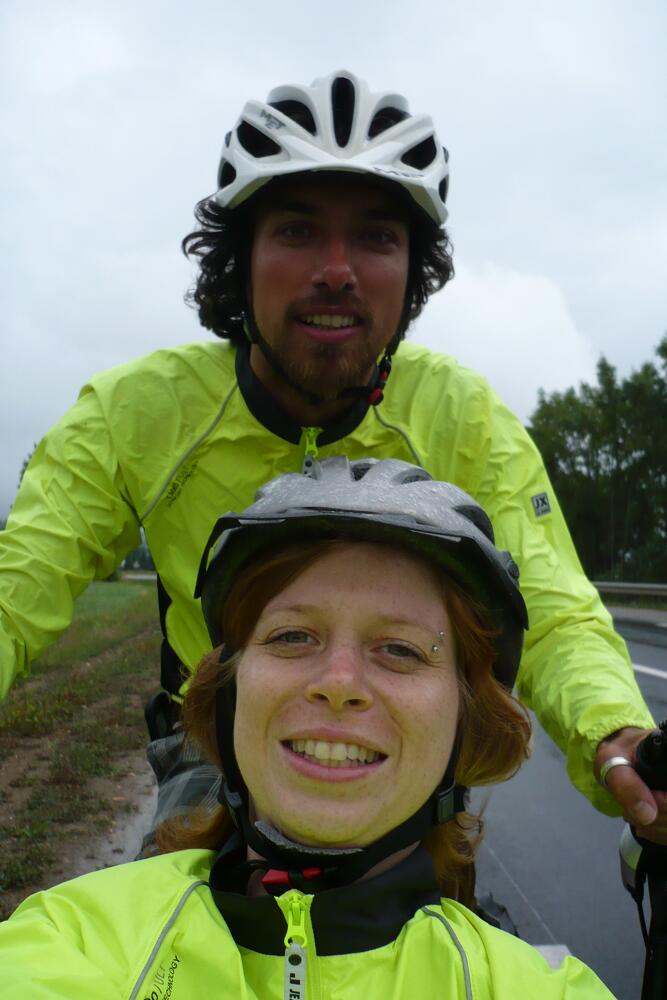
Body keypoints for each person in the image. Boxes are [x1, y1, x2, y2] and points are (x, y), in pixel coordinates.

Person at [0, 70, 662, 843]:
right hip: (216, 733)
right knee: (173, 906)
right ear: (239, 259)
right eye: (296, 231)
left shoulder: (462, 417)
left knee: (431, 913)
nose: (336, 270)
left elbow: (548, 605)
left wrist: (612, 731)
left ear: (412, 273)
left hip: (398, 734)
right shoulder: (134, 412)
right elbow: (21, 582)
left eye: (376, 238)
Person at [0, 458, 616, 998]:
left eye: (401, 649)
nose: (339, 682)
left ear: (465, 718)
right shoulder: (74, 941)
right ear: (228, 692)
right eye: (292, 636)